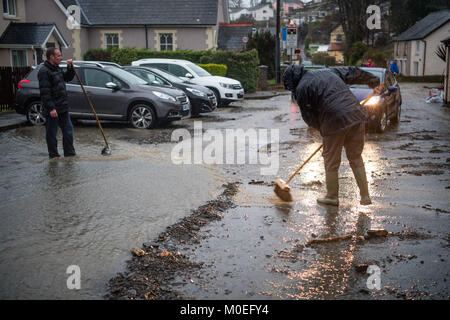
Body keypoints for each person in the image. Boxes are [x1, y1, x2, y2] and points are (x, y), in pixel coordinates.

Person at [283, 65, 383, 206]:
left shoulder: (301, 89)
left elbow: (309, 118)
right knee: (355, 156)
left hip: (333, 120)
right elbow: (352, 72)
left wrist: (324, 132)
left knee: (331, 159)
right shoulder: (327, 71)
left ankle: (332, 197)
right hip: (356, 115)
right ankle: (365, 196)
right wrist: (374, 81)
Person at [38, 48, 76, 159]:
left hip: (63, 107)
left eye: (60, 55)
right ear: (51, 57)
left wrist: (70, 68)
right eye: (58, 56)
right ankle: (54, 156)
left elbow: (67, 78)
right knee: (51, 134)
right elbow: (45, 92)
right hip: (53, 109)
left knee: (68, 131)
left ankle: (69, 154)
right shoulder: (44, 71)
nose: (61, 58)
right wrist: (51, 108)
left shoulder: (57, 69)